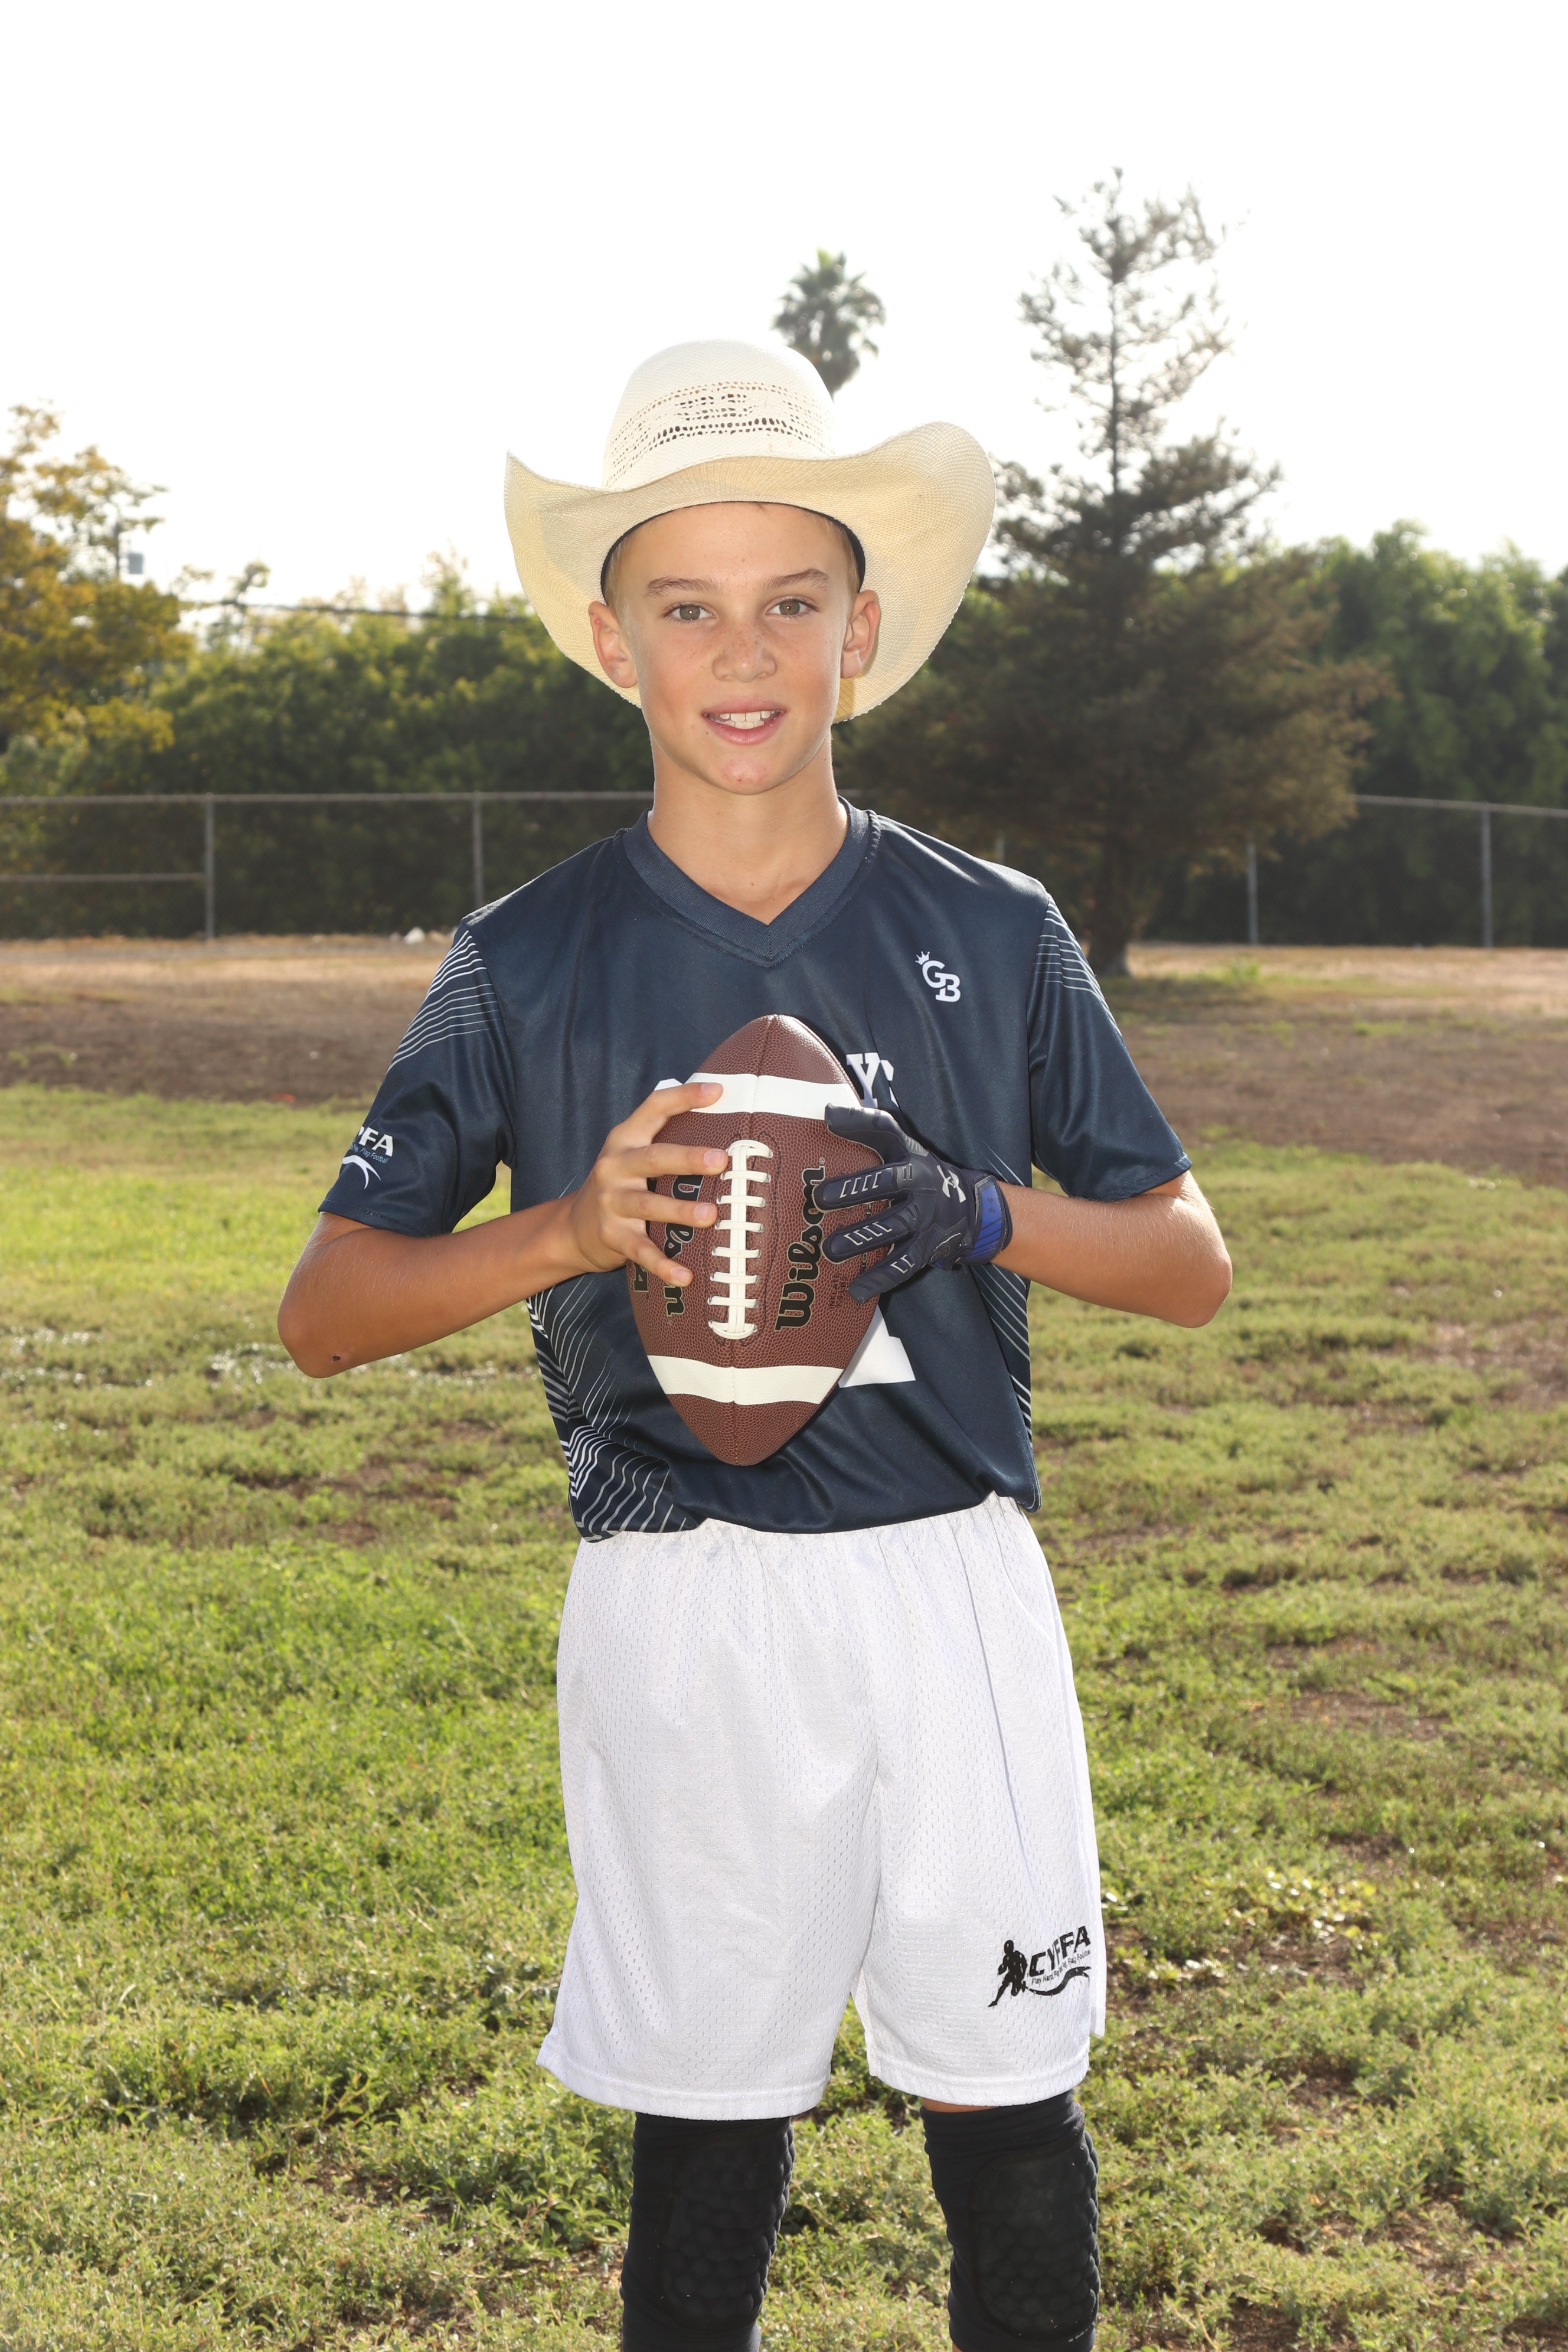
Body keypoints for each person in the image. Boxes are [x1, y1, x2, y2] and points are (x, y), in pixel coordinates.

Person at [278, 340, 1231, 2352]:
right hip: (681, 1591)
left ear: (860, 633)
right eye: (689, 605)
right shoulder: (522, 957)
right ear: (611, 640)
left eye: (791, 602)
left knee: (1009, 2113)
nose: (744, 652)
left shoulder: (997, 924)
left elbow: (1186, 1261)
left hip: (950, 1581)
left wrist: (975, 1211)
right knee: (706, 2136)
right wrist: (567, 1229)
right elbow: (326, 1312)